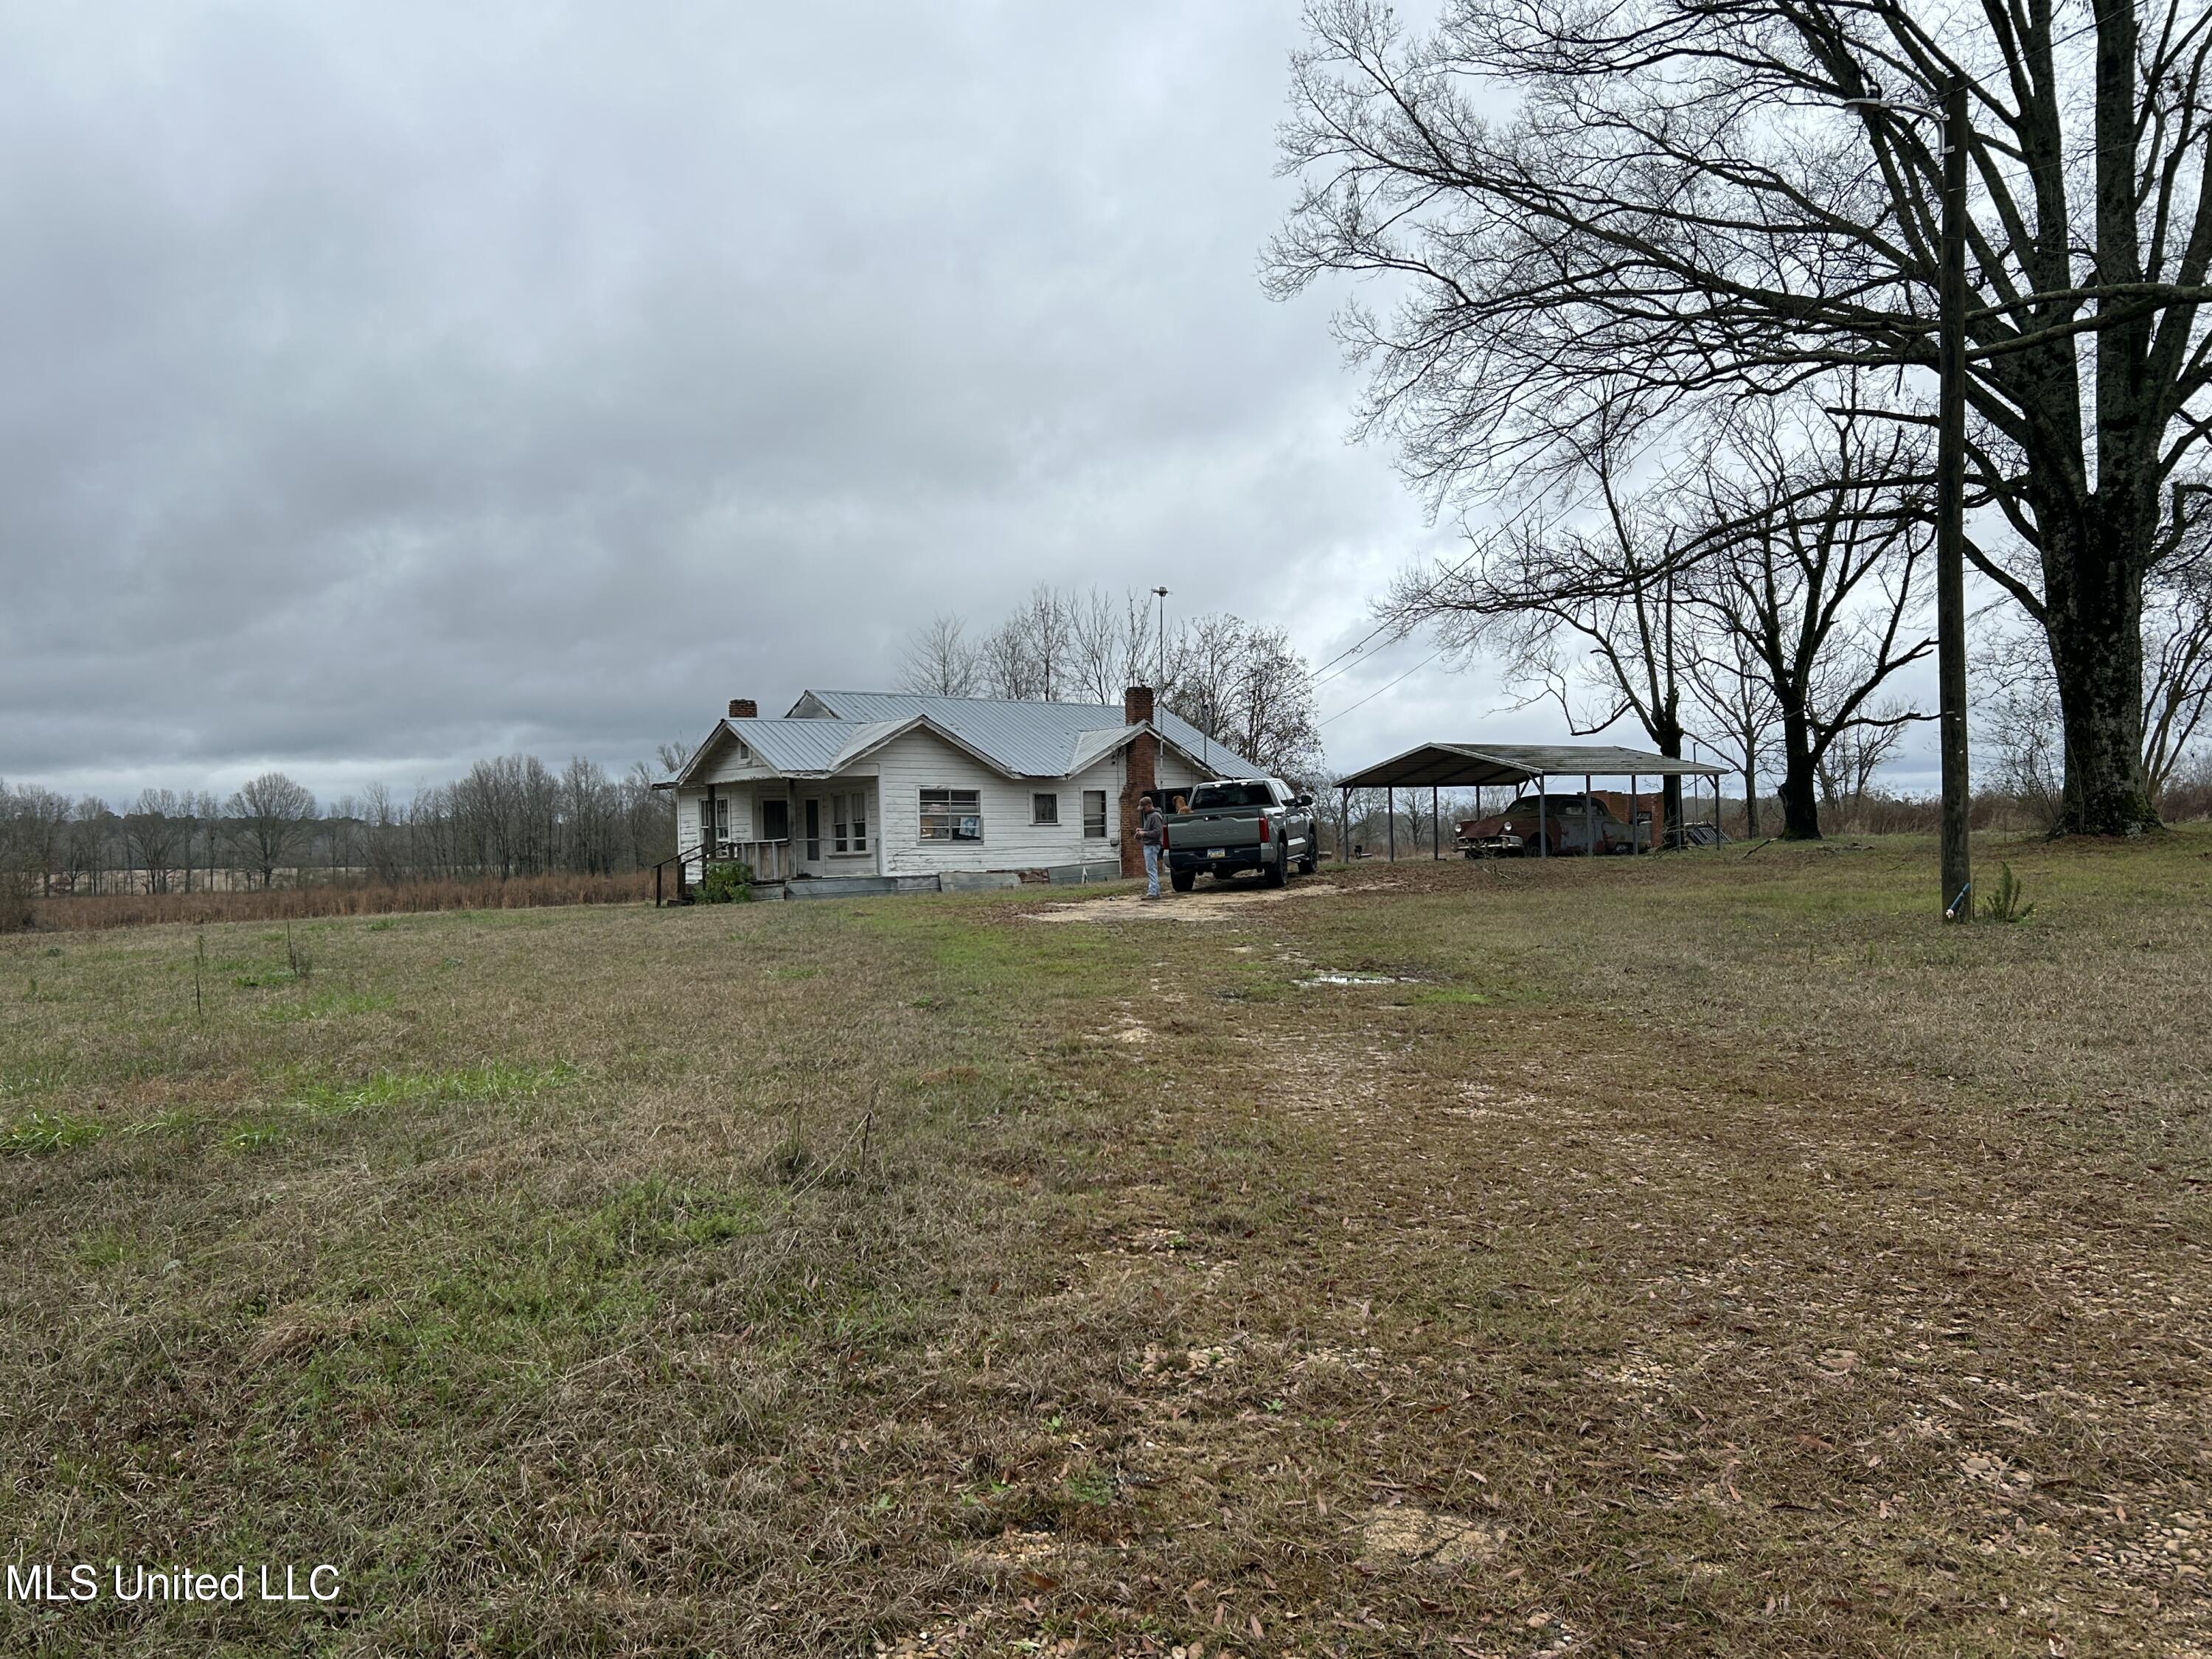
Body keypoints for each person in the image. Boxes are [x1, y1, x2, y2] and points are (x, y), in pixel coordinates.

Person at [1138, 793, 1166, 900]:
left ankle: (1153, 892)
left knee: (1151, 869)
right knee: (1151, 868)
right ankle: (1156, 890)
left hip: (1152, 845)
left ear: (1149, 805)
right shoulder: (1152, 815)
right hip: (1151, 845)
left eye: (1144, 808)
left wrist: (1144, 834)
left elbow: (1158, 832)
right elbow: (1153, 830)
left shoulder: (1155, 816)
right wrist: (1142, 830)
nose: (1143, 810)